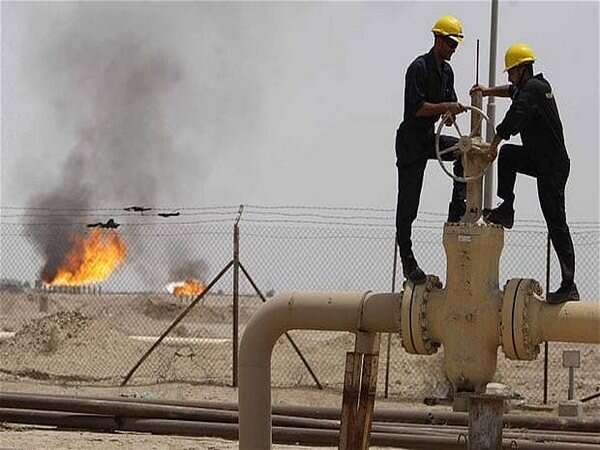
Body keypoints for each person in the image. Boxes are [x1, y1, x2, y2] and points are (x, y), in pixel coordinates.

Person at [471, 43, 579, 304]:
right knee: (509, 155)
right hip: (540, 160)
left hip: (552, 166)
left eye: (511, 71)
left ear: (522, 69)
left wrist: (493, 145)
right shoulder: (530, 87)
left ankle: (569, 285)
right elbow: (511, 91)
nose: (509, 76)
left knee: (556, 222)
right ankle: (506, 209)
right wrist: (487, 91)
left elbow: (513, 118)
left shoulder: (534, 90)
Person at [395, 15, 467, 284]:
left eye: (456, 44)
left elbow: (450, 102)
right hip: (411, 143)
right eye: (450, 43)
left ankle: (456, 210)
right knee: (408, 206)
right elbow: (417, 108)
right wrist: (446, 108)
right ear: (437, 39)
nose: (453, 49)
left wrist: (450, 114)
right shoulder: (418, 68)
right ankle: (407, 260)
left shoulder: (447, 73)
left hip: (429, 139)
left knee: (463, 150)